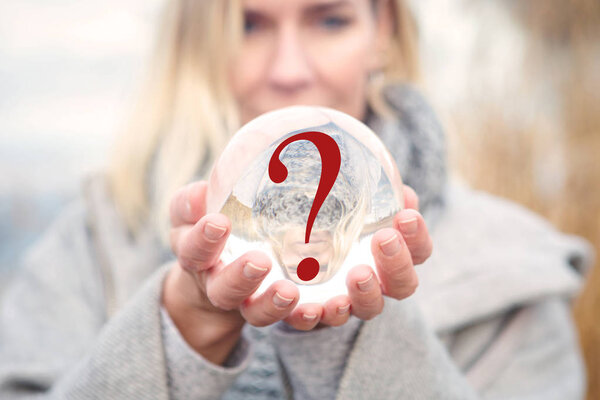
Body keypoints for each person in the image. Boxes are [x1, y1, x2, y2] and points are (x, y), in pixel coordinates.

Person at [0, 0, 594, 399]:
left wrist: (359, 331)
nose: (288, 70)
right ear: (197, 44)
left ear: (382, 32)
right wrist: (180, 323)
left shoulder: (518, 274)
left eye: (330, 21)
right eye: (249, 25)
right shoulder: (92, 241)